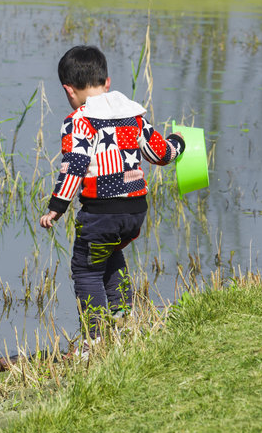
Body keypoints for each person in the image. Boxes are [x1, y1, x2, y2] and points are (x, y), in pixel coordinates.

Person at [39, 45, 185, 351]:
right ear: (107, 82)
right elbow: (160, 154)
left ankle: (94, 340)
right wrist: (179, 142)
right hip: (135, 211)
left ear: (69, 90)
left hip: (102, 211)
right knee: (110, 255)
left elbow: (75, 167)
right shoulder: (133, 116)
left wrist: (56, 208)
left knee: (86, 268)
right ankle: (122, 324)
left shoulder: (78, 120)